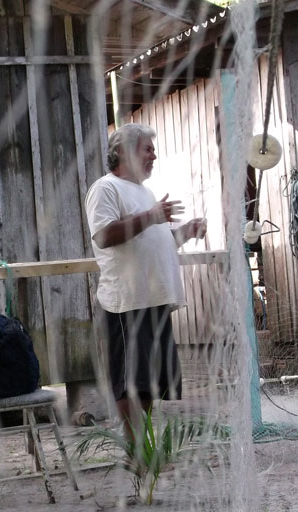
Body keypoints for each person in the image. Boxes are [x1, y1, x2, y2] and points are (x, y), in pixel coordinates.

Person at [85, 123, 206, 439]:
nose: (154, 155)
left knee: (152, 379)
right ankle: (135, 449)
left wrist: (185, 232)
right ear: (124, 152)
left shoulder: (145, 192)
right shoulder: (105, 188)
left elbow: (153, 240)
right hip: (128, 302)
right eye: (147, 149)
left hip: (155, 300)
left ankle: (145, 444)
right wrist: (152, 216)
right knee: (130, 382)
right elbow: (104, 234)